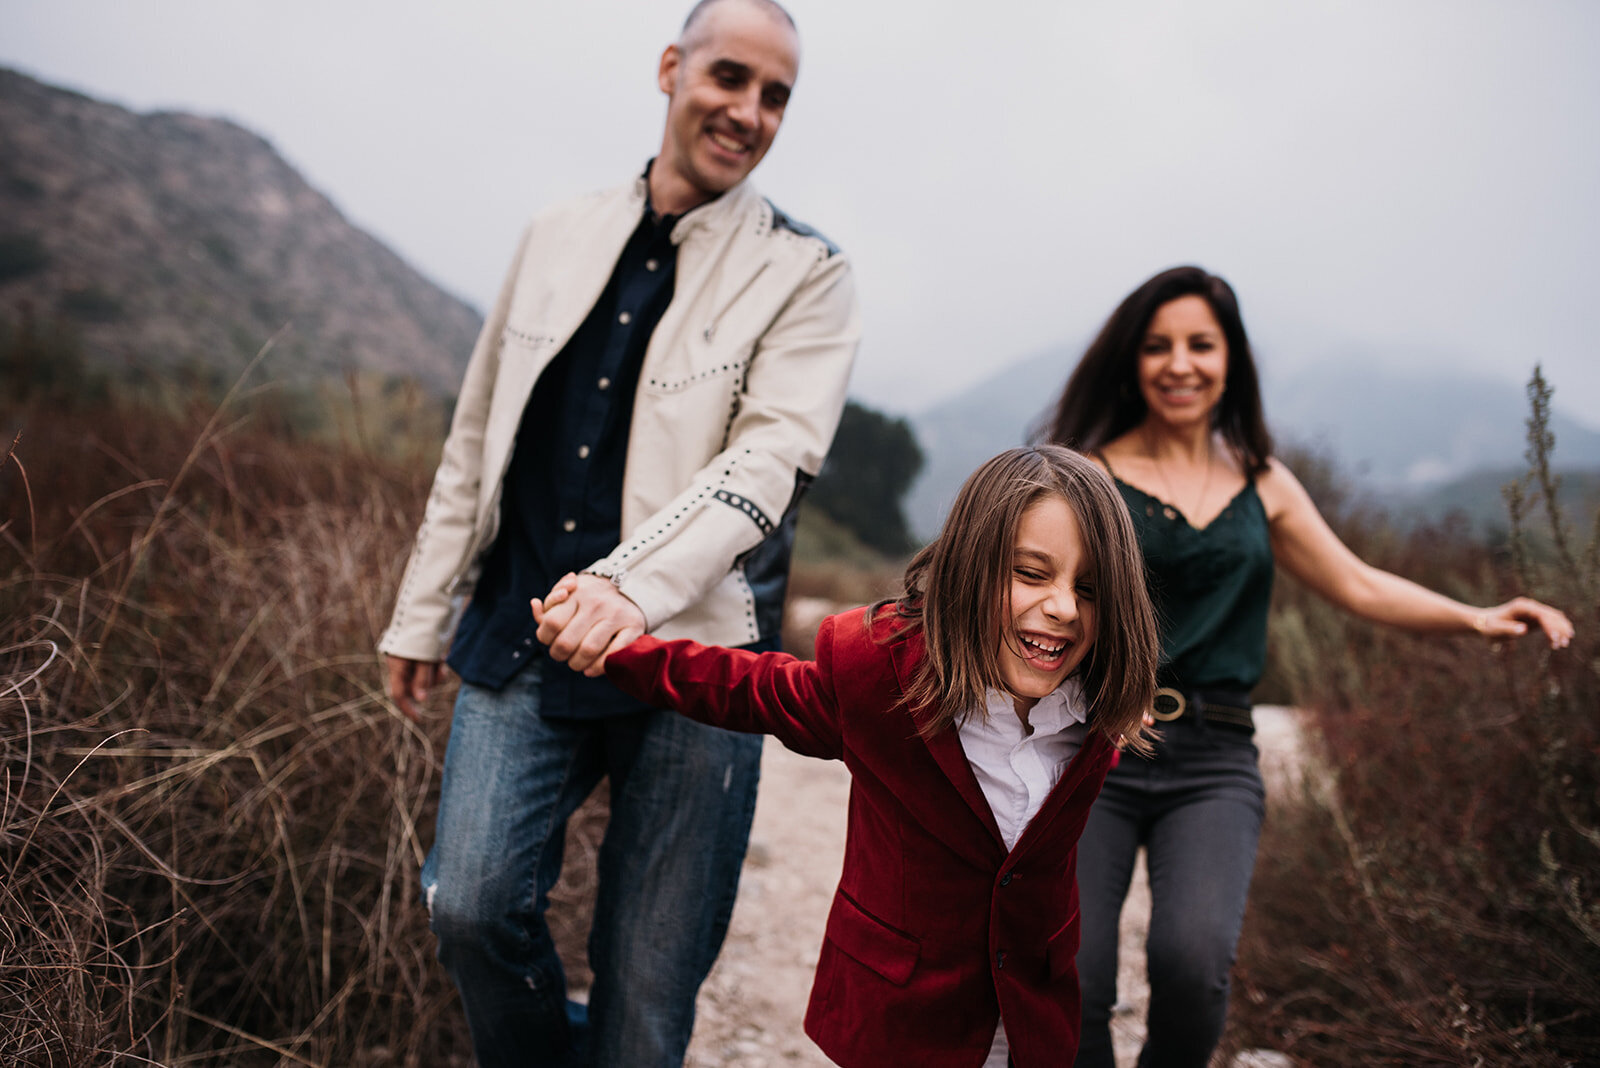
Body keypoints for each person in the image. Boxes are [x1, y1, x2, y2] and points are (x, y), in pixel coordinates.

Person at [376, 1, 861, 1064]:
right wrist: (420, 612)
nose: (748, 111)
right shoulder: (556, 232)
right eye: (729, 77)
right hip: (525, 626)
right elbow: (475, 434)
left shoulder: (810, 274)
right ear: (669, 68)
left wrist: (630, 589)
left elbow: (766, 464)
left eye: (775, 95)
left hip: (701, 663)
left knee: (647, 997)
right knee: (467, 904)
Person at [1037, 265, 1576, 1067]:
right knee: (1074, 975)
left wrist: (1477, 617)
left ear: (1231, 361)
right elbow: (1045, 598)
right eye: (1157, 346)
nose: (1179, 363)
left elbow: (1356, 581)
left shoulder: (1265, 482)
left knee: (1193, 970)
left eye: (1200, 345)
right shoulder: (1089, 476)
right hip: (1095, 746)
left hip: (1215, 760)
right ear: (1131, 360)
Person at [535, 445, 1161, 1068]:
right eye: (1031, 574)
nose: (1062, 607)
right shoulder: (878, 678)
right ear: (970, 567)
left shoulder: (1098, 710)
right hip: (899, 1020)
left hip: (1029, 1019)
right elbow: (743, 689)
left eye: (1088, 588)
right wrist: (616, 652)